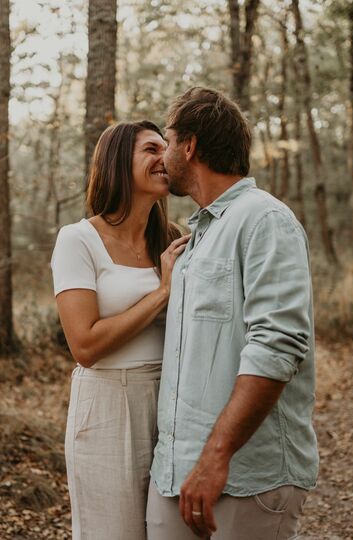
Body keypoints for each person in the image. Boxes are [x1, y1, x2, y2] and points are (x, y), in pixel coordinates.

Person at [146, 88, 319, 540]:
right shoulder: (196, 237)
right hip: (175, 474)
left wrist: (216, 456)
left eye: (166, 141)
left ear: (190, 145)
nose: (163, 155)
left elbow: (276, 347)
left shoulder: (264, 220)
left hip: (246, 477)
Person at [50, 120, 189, 540]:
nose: (164, 157)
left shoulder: (172, 240)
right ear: (116, 162)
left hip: (172, 403)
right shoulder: (78, 240)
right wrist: (163, 291)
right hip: (108, 404)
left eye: (166, 148)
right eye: (151, 149)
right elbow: (85, 345)